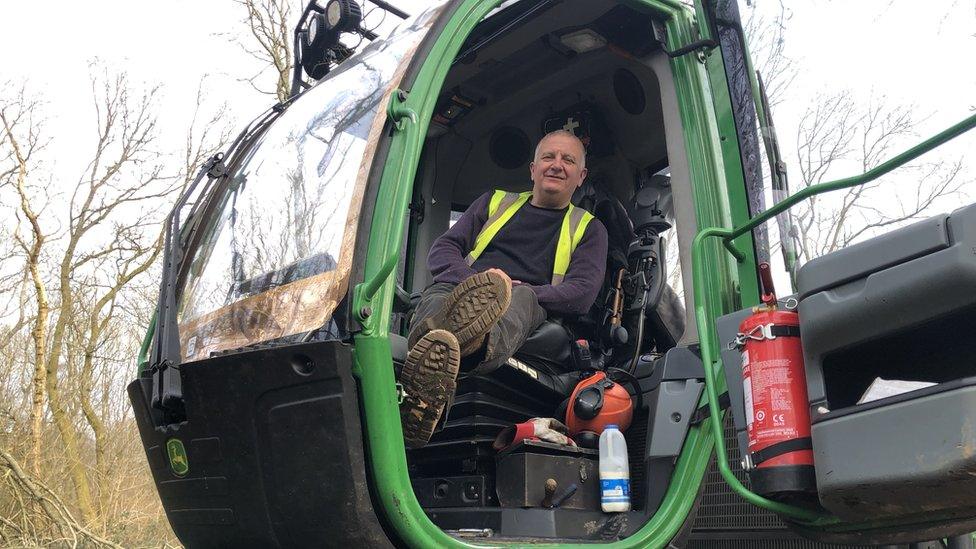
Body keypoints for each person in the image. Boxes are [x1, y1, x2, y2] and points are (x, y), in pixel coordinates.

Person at [399, 130, 609, 448]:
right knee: (438, 295)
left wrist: (514, 288)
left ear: (580, 177)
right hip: (464, 288)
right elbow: (442, 252)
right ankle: (430, 369)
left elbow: (581, 293)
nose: (556, 165)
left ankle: (464, 354)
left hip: (531, 302)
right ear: (532, 169)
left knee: (520, 297)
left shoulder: (589, 227)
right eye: (548, 157)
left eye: (568, 160)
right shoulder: (493, 202)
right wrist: (471, 281)